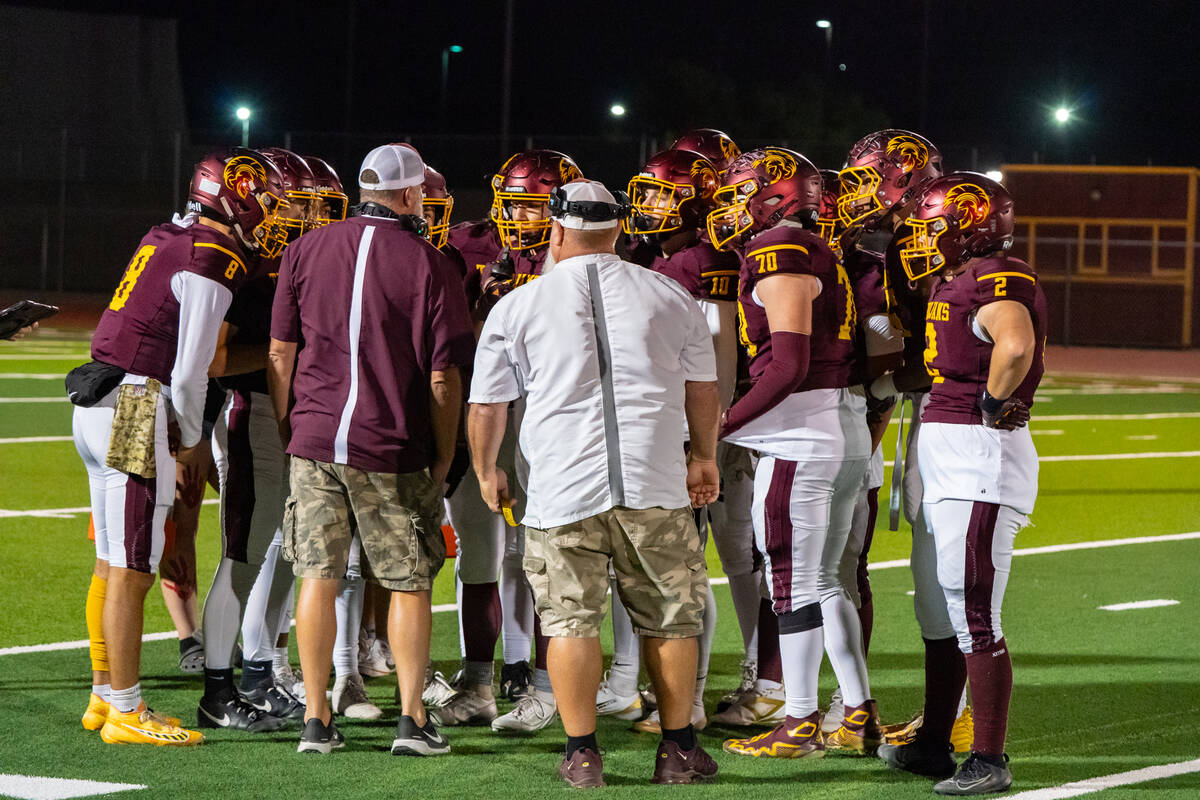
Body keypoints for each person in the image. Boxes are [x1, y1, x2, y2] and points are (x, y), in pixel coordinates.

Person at [468, 179, 721, 787]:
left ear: (555, 230)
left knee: (568, 622)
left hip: (562, 487)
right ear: (619, 230)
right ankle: (679, 748)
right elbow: (703, 389)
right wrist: (704, 455)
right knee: (669, 618)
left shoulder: (518, 304)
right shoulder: (669, 294)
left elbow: (487, 404)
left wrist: (485, 468)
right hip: (654, 480)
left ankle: (583, 754)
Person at [70, 148, 288, 745]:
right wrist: (192, 442)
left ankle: (101, 694)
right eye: (264, 200)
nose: (269, 214)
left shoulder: (169, 232)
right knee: (134, 567)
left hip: (98, 396)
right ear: (235, 195)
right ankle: (127, 708)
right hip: (138, 403)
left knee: (112, 561)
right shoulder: (213, 254)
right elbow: (194, 372)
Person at [267, 143, 473, 755]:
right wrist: (443, 453)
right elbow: (442, 378)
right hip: (391, 443)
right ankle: (411, 719)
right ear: (410, 195)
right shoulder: (432, 264)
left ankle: (316, 718)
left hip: (316, 437)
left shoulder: (303, 249)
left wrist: (290, 427)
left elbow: (282, 352)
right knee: (409, 583)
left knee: (317, 576)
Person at [879, 173, 1045, 796]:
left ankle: (989, 759)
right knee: (946, 606)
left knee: (973, 606)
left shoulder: (998, 275)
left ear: (966, 224)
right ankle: (933, 743)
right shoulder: (957, 277)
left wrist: (991, 402)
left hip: (980, 456)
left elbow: (1016, 342)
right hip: (955, 453)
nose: (921, 237)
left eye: (931, 224)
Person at [707, 148, 875, 760]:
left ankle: (801, 719)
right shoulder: (812, 246)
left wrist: (722, 425)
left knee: (793, 583)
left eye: (740, 189)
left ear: (772, 196)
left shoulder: (778, 249)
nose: (730, 202)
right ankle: (855, 709)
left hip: (800, 436)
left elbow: (788, 363)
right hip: (836, 425)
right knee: (826, 581)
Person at [440, 149, 584, 732]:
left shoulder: (581, 256)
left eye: (533, 207)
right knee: (477, 549)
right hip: (486, 410)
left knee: (542, 557)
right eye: (513, 203)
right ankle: (479, 680)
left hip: (549, 416)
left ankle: (542, 682)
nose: (519, 219)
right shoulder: (468, 245)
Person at [196, 147, 319, 732]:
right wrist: (283, 355)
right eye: (296, 202)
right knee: (244, 555)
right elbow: (212, 360)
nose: (304, 214)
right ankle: (228, 685)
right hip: (254, 412)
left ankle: (261, 671)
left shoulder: (296, 264)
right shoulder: (248, 267)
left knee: (288, 552)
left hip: (292, 417)